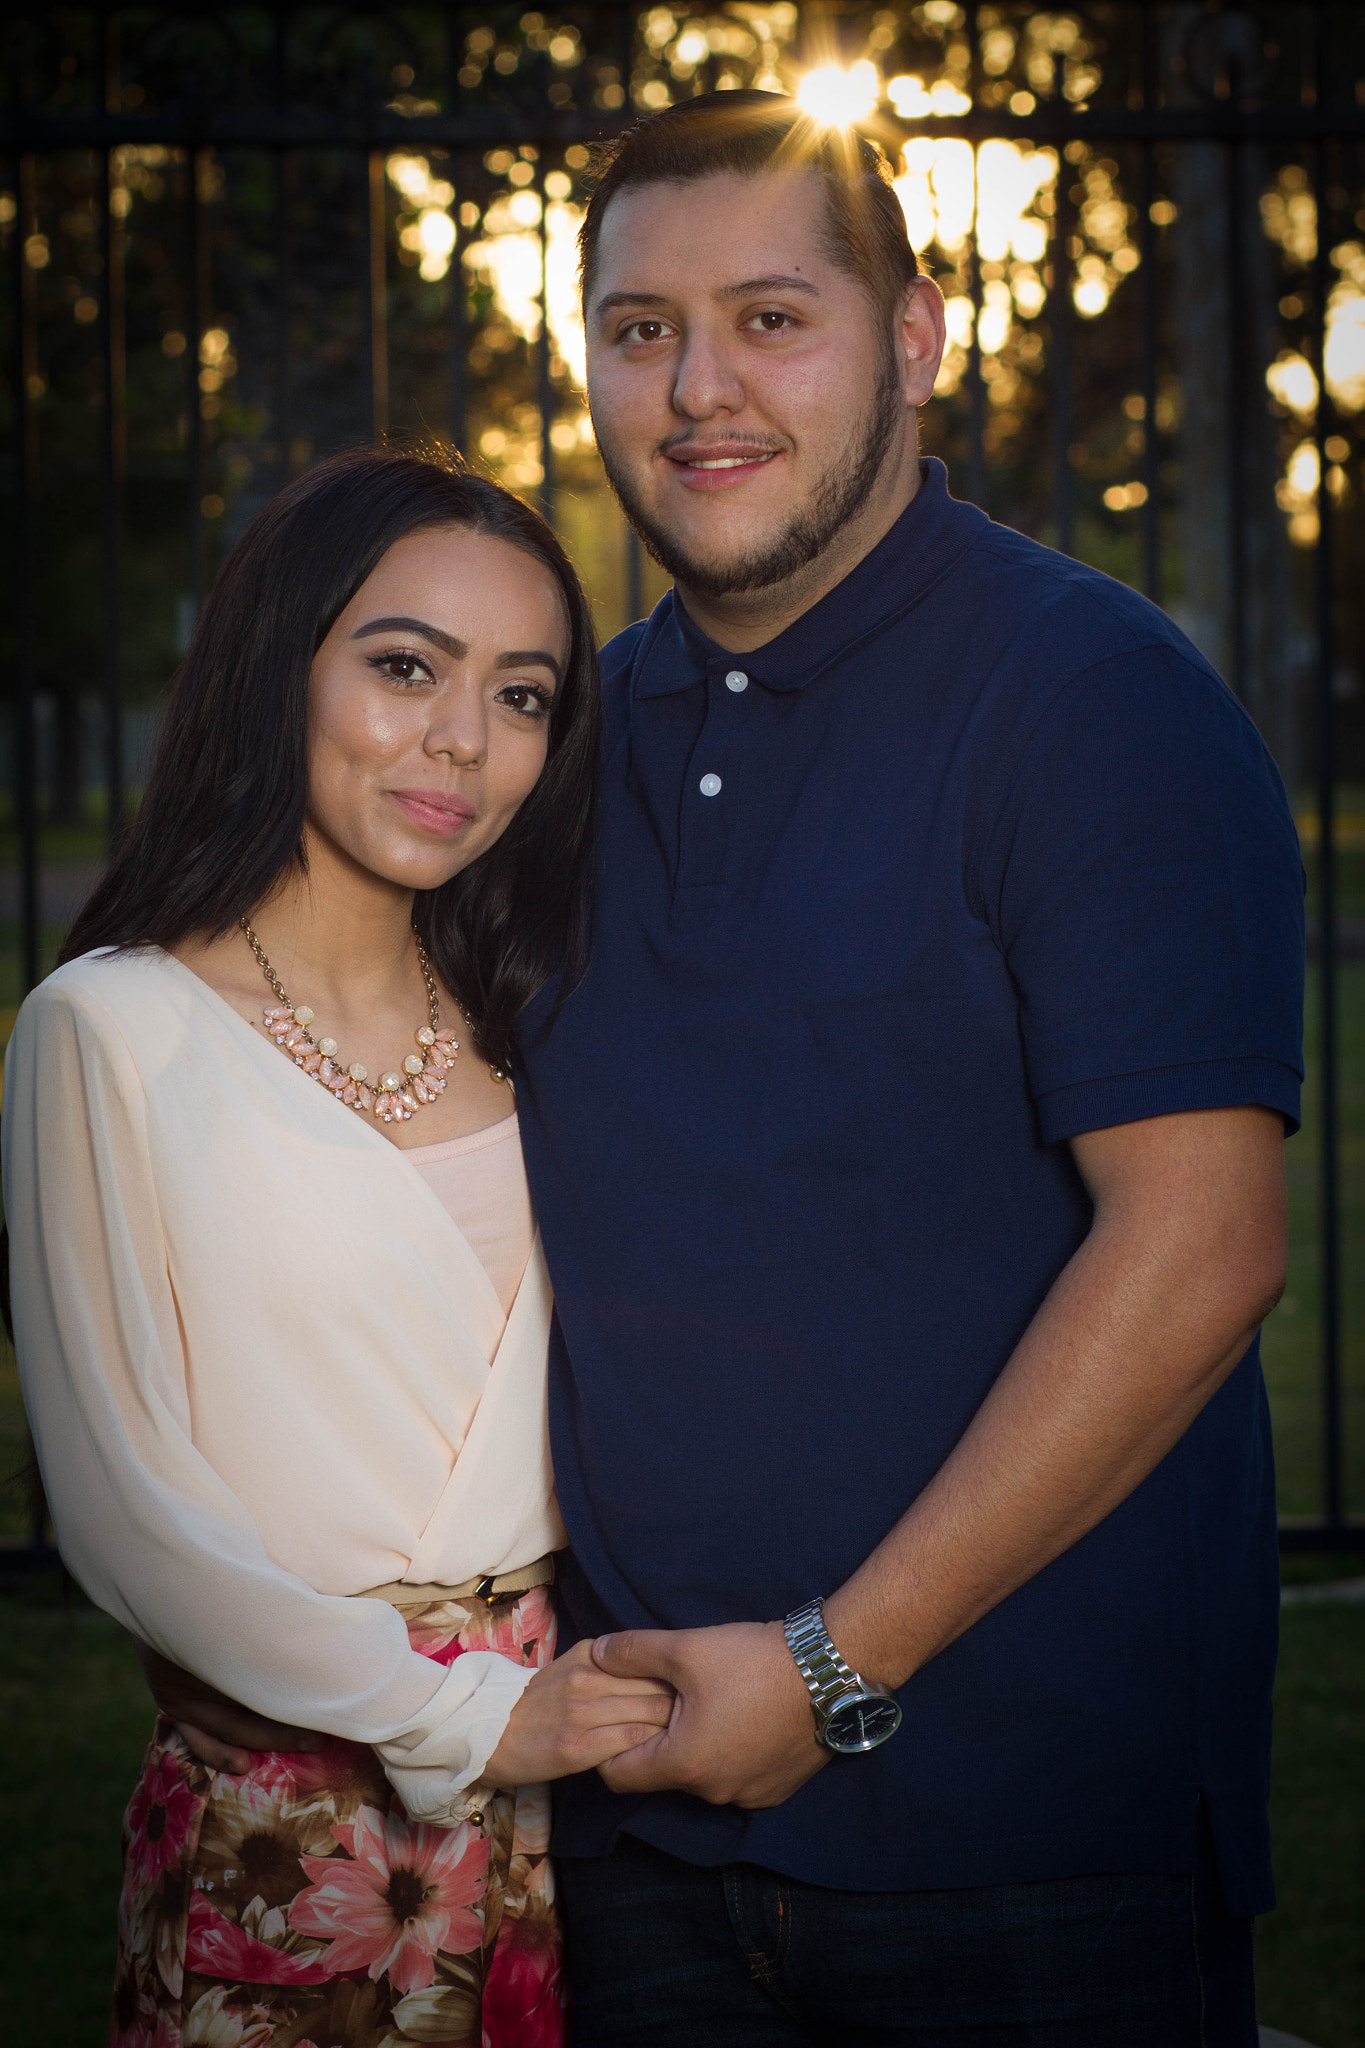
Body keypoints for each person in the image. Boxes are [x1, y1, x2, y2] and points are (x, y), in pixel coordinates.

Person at [147, 93, 1305, 2045]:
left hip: (1017, 1843)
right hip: (630, 1837)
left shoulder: (1090, 702)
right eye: (635, 328)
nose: (697, 389)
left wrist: (833, 1667)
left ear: (917, 336)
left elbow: (1197, 1243)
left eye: (772, 317)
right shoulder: (554, 740)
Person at [2, 448, 674, 2048]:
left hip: (580, 1805)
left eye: (522, 697)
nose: (464, 739)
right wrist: (463, 1717)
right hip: (289, 1820)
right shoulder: (109, 1028)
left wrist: (545, 1721)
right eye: (402, 667)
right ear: (274, 666)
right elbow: (127, 1515)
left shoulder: (537, 1022)